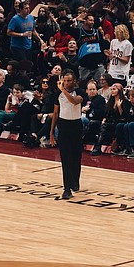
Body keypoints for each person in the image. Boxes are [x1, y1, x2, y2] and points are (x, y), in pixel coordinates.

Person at [50, 70, 85, 200]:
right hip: (63, 125)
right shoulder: (57, 94)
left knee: (76, 157)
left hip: (76, 126)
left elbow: (75, 102)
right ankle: (67, 188)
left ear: (74, 81)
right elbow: (55, 113)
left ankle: (75, 182)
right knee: (65, 158)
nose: (66, 83)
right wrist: (51, 132)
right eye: (64, 80)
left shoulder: (80, 92)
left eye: (69, 80)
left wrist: (63, 91)